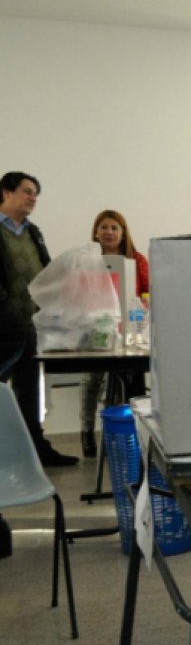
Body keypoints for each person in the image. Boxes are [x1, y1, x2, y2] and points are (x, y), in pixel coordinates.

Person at [0, 172, 77, 467]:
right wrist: (8, 312)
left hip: (30, 327)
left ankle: (35, 451)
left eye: (35, 194)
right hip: (3, 327)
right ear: (6, 193)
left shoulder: (34, 232)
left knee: (30, 393)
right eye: (27, 191)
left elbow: (46, 275)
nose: (33, 198)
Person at [79, 210, 149, 457]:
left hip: (130, 330)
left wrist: (144, 305)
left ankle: (126, 433)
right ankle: (87, 432)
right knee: (92, 380)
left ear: (123, 232)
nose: (109, 232)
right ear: (96, 232)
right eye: (104, 227)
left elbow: (149, 291)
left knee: (129, 381)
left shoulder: (137, 259)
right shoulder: (86, 260)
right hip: (96, 328)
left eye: (114, 227)